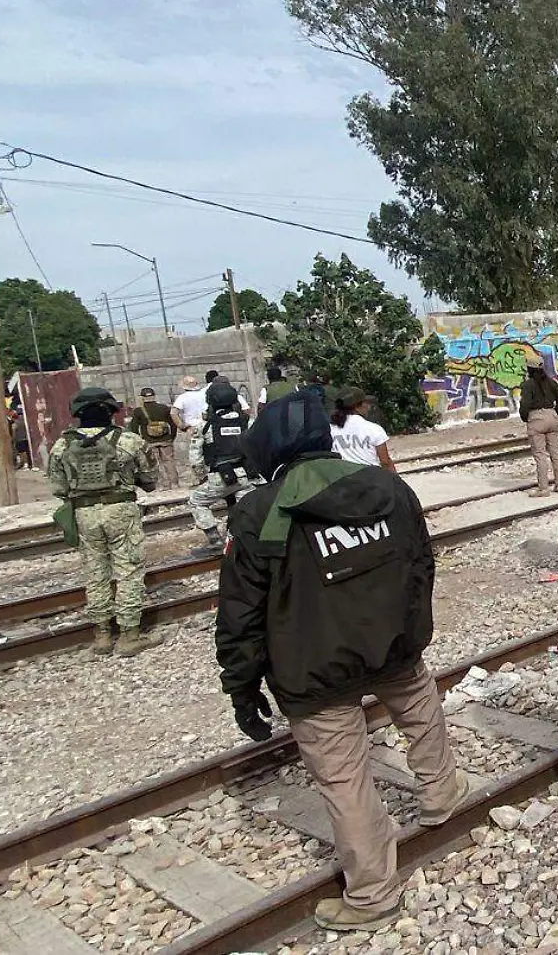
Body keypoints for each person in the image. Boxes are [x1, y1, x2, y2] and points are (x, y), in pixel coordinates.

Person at [215, 391, 467, 933]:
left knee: (344, 776)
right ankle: (441, 792)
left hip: (313, 667)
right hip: (393, 645)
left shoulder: (260, 513)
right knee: (420, 712)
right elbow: (421, 563)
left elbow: (241, 613)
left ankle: (373, 893)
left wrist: (242, 687)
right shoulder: (387, 487)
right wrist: (412, 630)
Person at [47, 387, 162, 657]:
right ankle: (129, 635)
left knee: (95, 572)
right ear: (111, 411)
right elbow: (150, 482)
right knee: (128, 570)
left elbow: (58, 488)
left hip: (84, 513)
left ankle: (101, 635)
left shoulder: (62, 444)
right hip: (121, 509)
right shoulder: (129, 440)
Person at [189, 381, 260, 553]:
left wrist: (202, 477)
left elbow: (195, 458)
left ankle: (214, 538)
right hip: (249, 476)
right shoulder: (247, 421)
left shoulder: (204, 426)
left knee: (196, 501)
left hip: (221, 478)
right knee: (245, 506)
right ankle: (248, 538)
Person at [518, 363, 558, 496]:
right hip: (551, 416)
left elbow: (525, 405)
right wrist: (554, 412)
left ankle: (543, 488)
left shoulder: (528, 385)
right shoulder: (551, 382)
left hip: (536, 418)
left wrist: (526, 417)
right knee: (556, 453)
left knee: (540, 455)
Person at [126, 387, 183, 488]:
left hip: (149, 442)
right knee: (169, 461)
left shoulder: (138, 411)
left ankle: (162, 485)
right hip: (165, 440)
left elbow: (134, 428)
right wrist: (172, 437)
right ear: (154, 396)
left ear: (142, 398)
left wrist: (140, 441)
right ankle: (174, 483)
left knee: (154, 464)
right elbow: (173, 424)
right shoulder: (164, 408)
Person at [330, 388, 395, 472]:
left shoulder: (330, 430)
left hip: (344, 479)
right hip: (370, 477)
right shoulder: (373, 428)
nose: (368, 406)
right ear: (357, 406)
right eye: (366, 403)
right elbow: (385, 462)